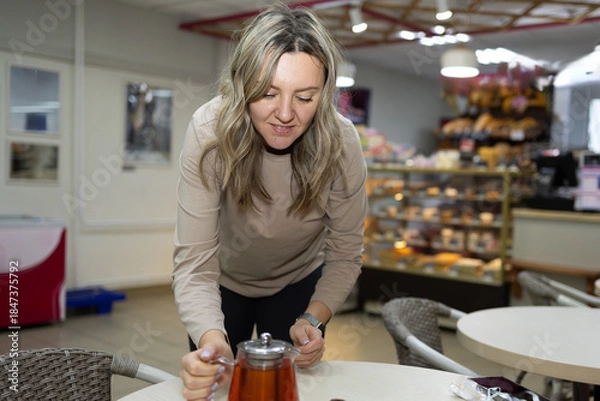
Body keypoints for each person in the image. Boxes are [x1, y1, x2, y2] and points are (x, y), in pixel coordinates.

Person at [172, 4, 367, 401]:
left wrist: (314, 317)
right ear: (243, 85)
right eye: (267, 92)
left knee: (292, 391)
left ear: (325, 93)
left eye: (305, 97)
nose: (284, 115)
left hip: (298, 285)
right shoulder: (209, 130)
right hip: (223, 284)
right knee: (216, 389)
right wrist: (212, 341)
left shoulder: (342, 142)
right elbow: (194, 265)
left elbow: (346, 253)